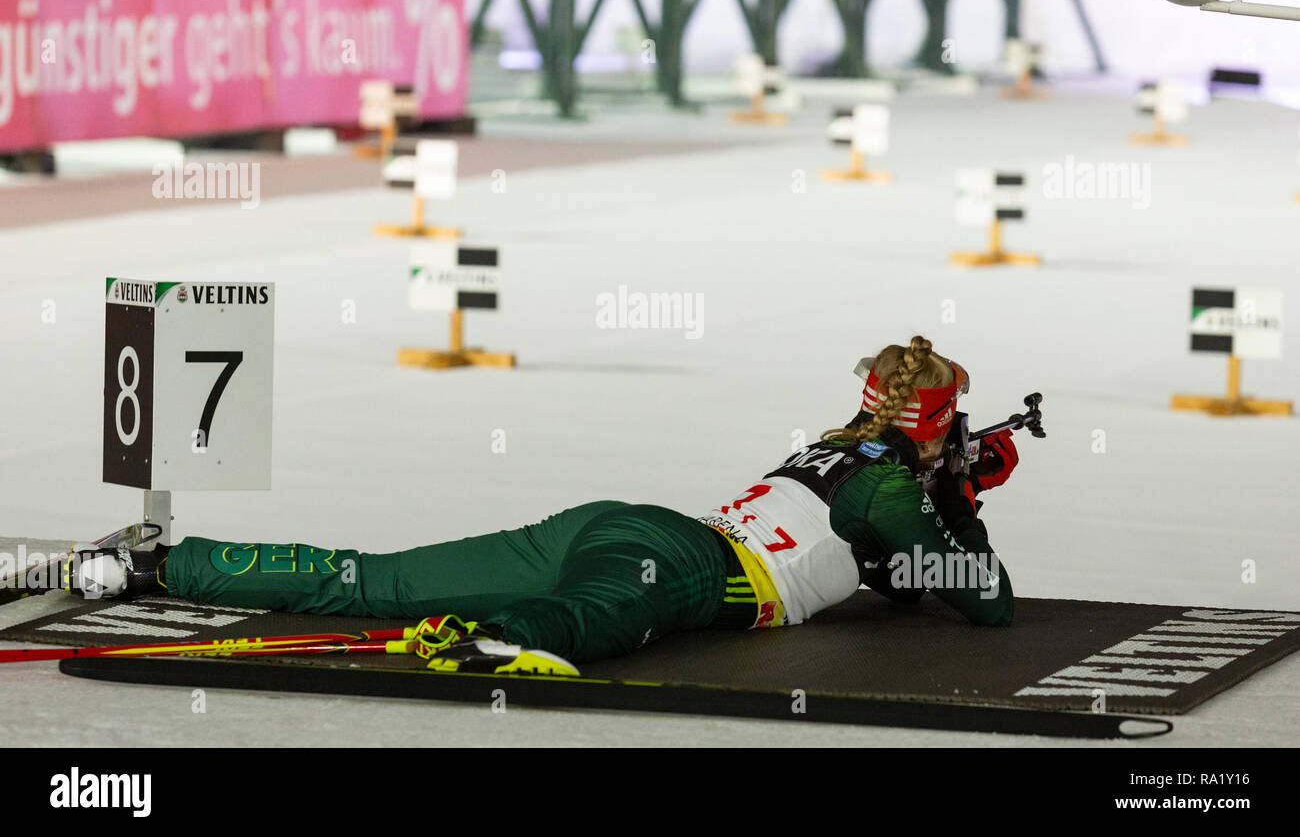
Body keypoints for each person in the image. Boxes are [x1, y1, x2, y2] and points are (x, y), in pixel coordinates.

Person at [68, 335, 1018, 678]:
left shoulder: (845, 444)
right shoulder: (896, 480)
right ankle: (508, 639)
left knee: (378, 576)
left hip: (616, 523)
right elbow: (984, 600)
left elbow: (895, 577)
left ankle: (154, 564)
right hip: (692, 568)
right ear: (934, 424)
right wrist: (966, 499)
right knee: (603, 617)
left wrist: (949, 481)